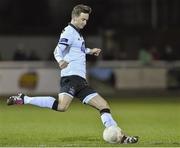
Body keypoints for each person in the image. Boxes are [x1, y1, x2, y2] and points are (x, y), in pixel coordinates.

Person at [7, 4, 138, 144]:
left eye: (86, 20)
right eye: (83, 19)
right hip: (70, 77)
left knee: (103, 105)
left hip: (81, 81)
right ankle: (24, 99)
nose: (85, 23)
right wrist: (60, 61)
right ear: (74, 17)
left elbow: (77, 49)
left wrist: (90, 51)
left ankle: (120, 137)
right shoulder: (69, 32)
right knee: (62, 107)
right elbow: (57, 50)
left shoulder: (77, 33)